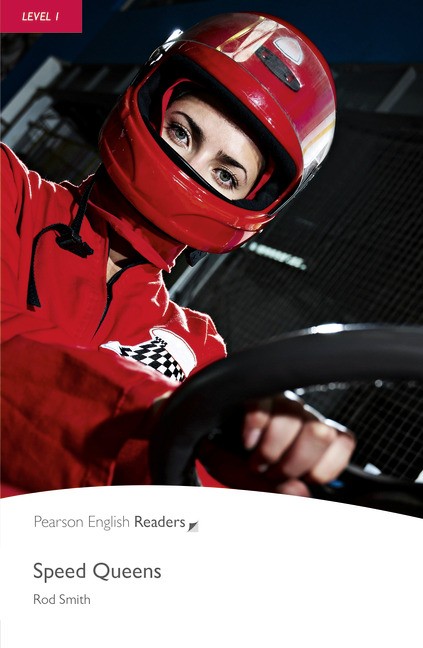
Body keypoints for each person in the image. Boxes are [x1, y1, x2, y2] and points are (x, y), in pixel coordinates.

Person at [1, 12, 355, 495]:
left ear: (252, 203)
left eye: (225, 174)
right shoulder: (10, 194)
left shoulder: (197, 350)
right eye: (182, 132)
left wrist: (266, 459)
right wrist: (163, 425)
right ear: (149, 105)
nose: (189, 167)